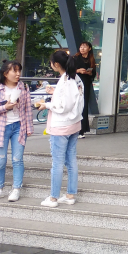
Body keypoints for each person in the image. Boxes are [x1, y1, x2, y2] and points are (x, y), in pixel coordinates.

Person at [36, 50, 84, 207]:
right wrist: (55, 92)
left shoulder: (66, 81)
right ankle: (70, 195)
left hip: (61, 126)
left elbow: (63, 106)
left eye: (51, 62)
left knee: (57, 163)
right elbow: (72, 100)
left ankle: (53, 198)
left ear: (56, 64)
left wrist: (47, 105)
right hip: (74, 124)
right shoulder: (75, 78)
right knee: (71, 160)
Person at [0, 60, 33, 202]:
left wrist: (29, 127)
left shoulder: (24, 87)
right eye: (14, 71)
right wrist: (5, 107)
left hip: (19, 126)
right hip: (0, 128)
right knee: (0, 160)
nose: (18, 74)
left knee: (17, 159)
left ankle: (16, 189)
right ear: (5, 73)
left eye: (19, 71)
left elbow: (28, 109)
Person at [69, 41, 96, 138]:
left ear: (89, 48)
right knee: (76, 105)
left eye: (84, 47)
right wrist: (78, 71)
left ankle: (82, 130)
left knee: (84, 106)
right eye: (81, 47)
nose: (82, 49)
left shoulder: (91, 59)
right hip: (77, 84)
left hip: (86, 84)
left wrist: (90, 73)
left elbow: (94, 73)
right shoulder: (75, 58)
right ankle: (74, 130)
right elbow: (69, 70)